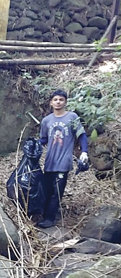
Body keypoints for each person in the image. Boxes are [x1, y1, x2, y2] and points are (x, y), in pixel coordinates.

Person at [37, 89, 88, 228]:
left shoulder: (72, 117)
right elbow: (44, 139)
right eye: (55, 100)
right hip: (50, 161)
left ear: (65, 102)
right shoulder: (46, 120)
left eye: (61, 99)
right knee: (47, 189)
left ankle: (49, 218)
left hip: (64, 160)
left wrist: (84, 152)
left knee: (57, 191)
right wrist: (34, 144)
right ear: (51, 103)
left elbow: (81, 135)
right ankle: (45, 214)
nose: (58, 102)